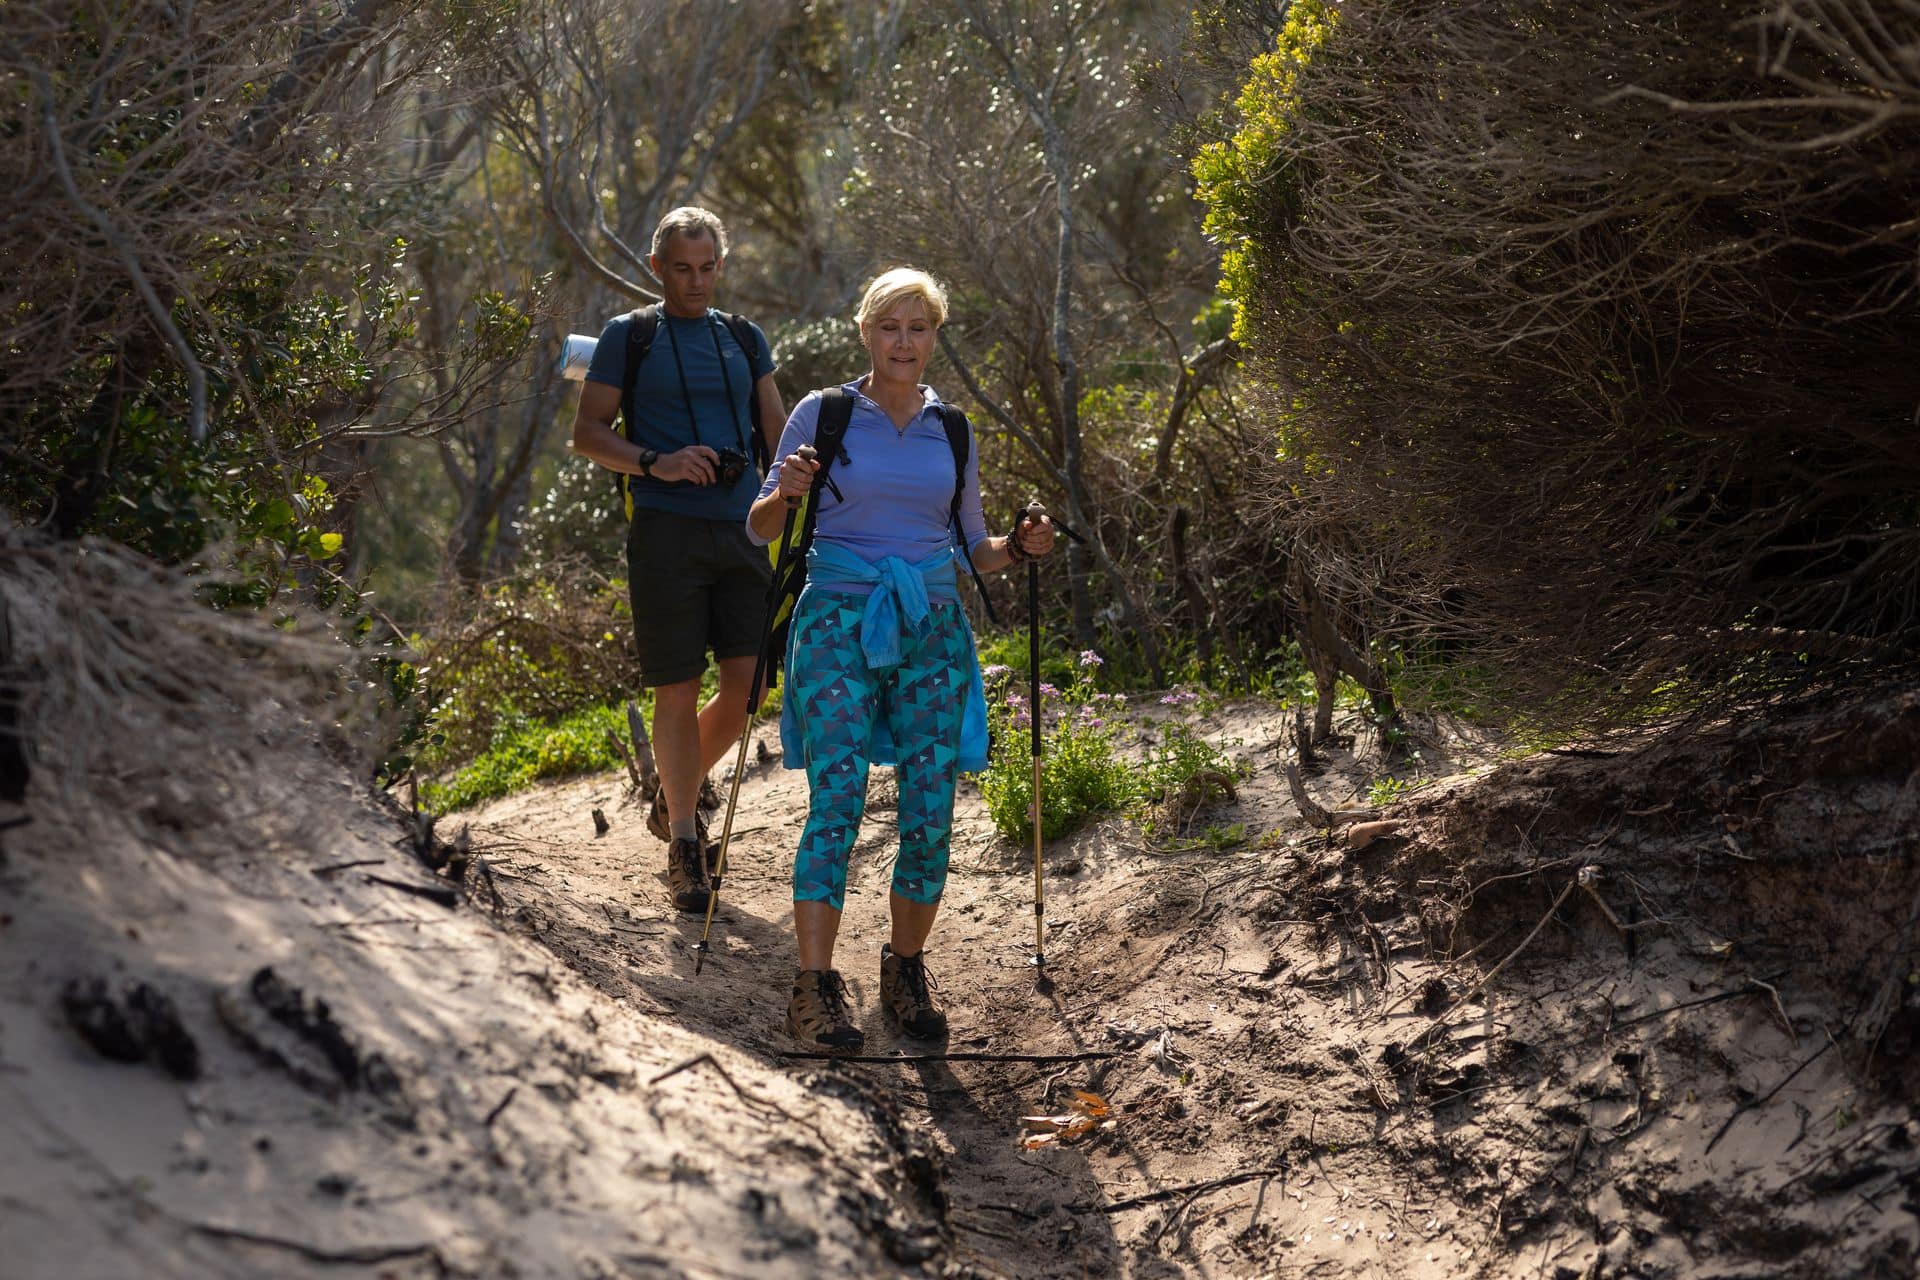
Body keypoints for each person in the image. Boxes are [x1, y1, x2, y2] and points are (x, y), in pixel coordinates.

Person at [746, 267, 1055, 1051]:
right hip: (836, 621)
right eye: (891, 326)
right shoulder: (824, 413)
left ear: (935, 335)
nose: (905, 342)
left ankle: (904, 970)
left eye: (919, 328)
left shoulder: (950, 428)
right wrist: (784, 489)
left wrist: (1018, 548)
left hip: (931, 626)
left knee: (929, 810)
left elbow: (972, 546)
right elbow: (759, 529)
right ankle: (813, 991)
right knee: (838, 799)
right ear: (865, 332)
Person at [571, 207, 785, 914]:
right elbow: (588, 433)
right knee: (676, 688)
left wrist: (794, 482)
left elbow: (778, 435)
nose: (696, 282)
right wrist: (657, 463)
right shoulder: (627, 337)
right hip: (664, 533)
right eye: (682, 269)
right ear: (657, 267)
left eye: (708, 267)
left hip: (745, 527)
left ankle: (672, 795)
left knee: (750, 689)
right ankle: (686, 845)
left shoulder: (743, 338)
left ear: (721, 266)